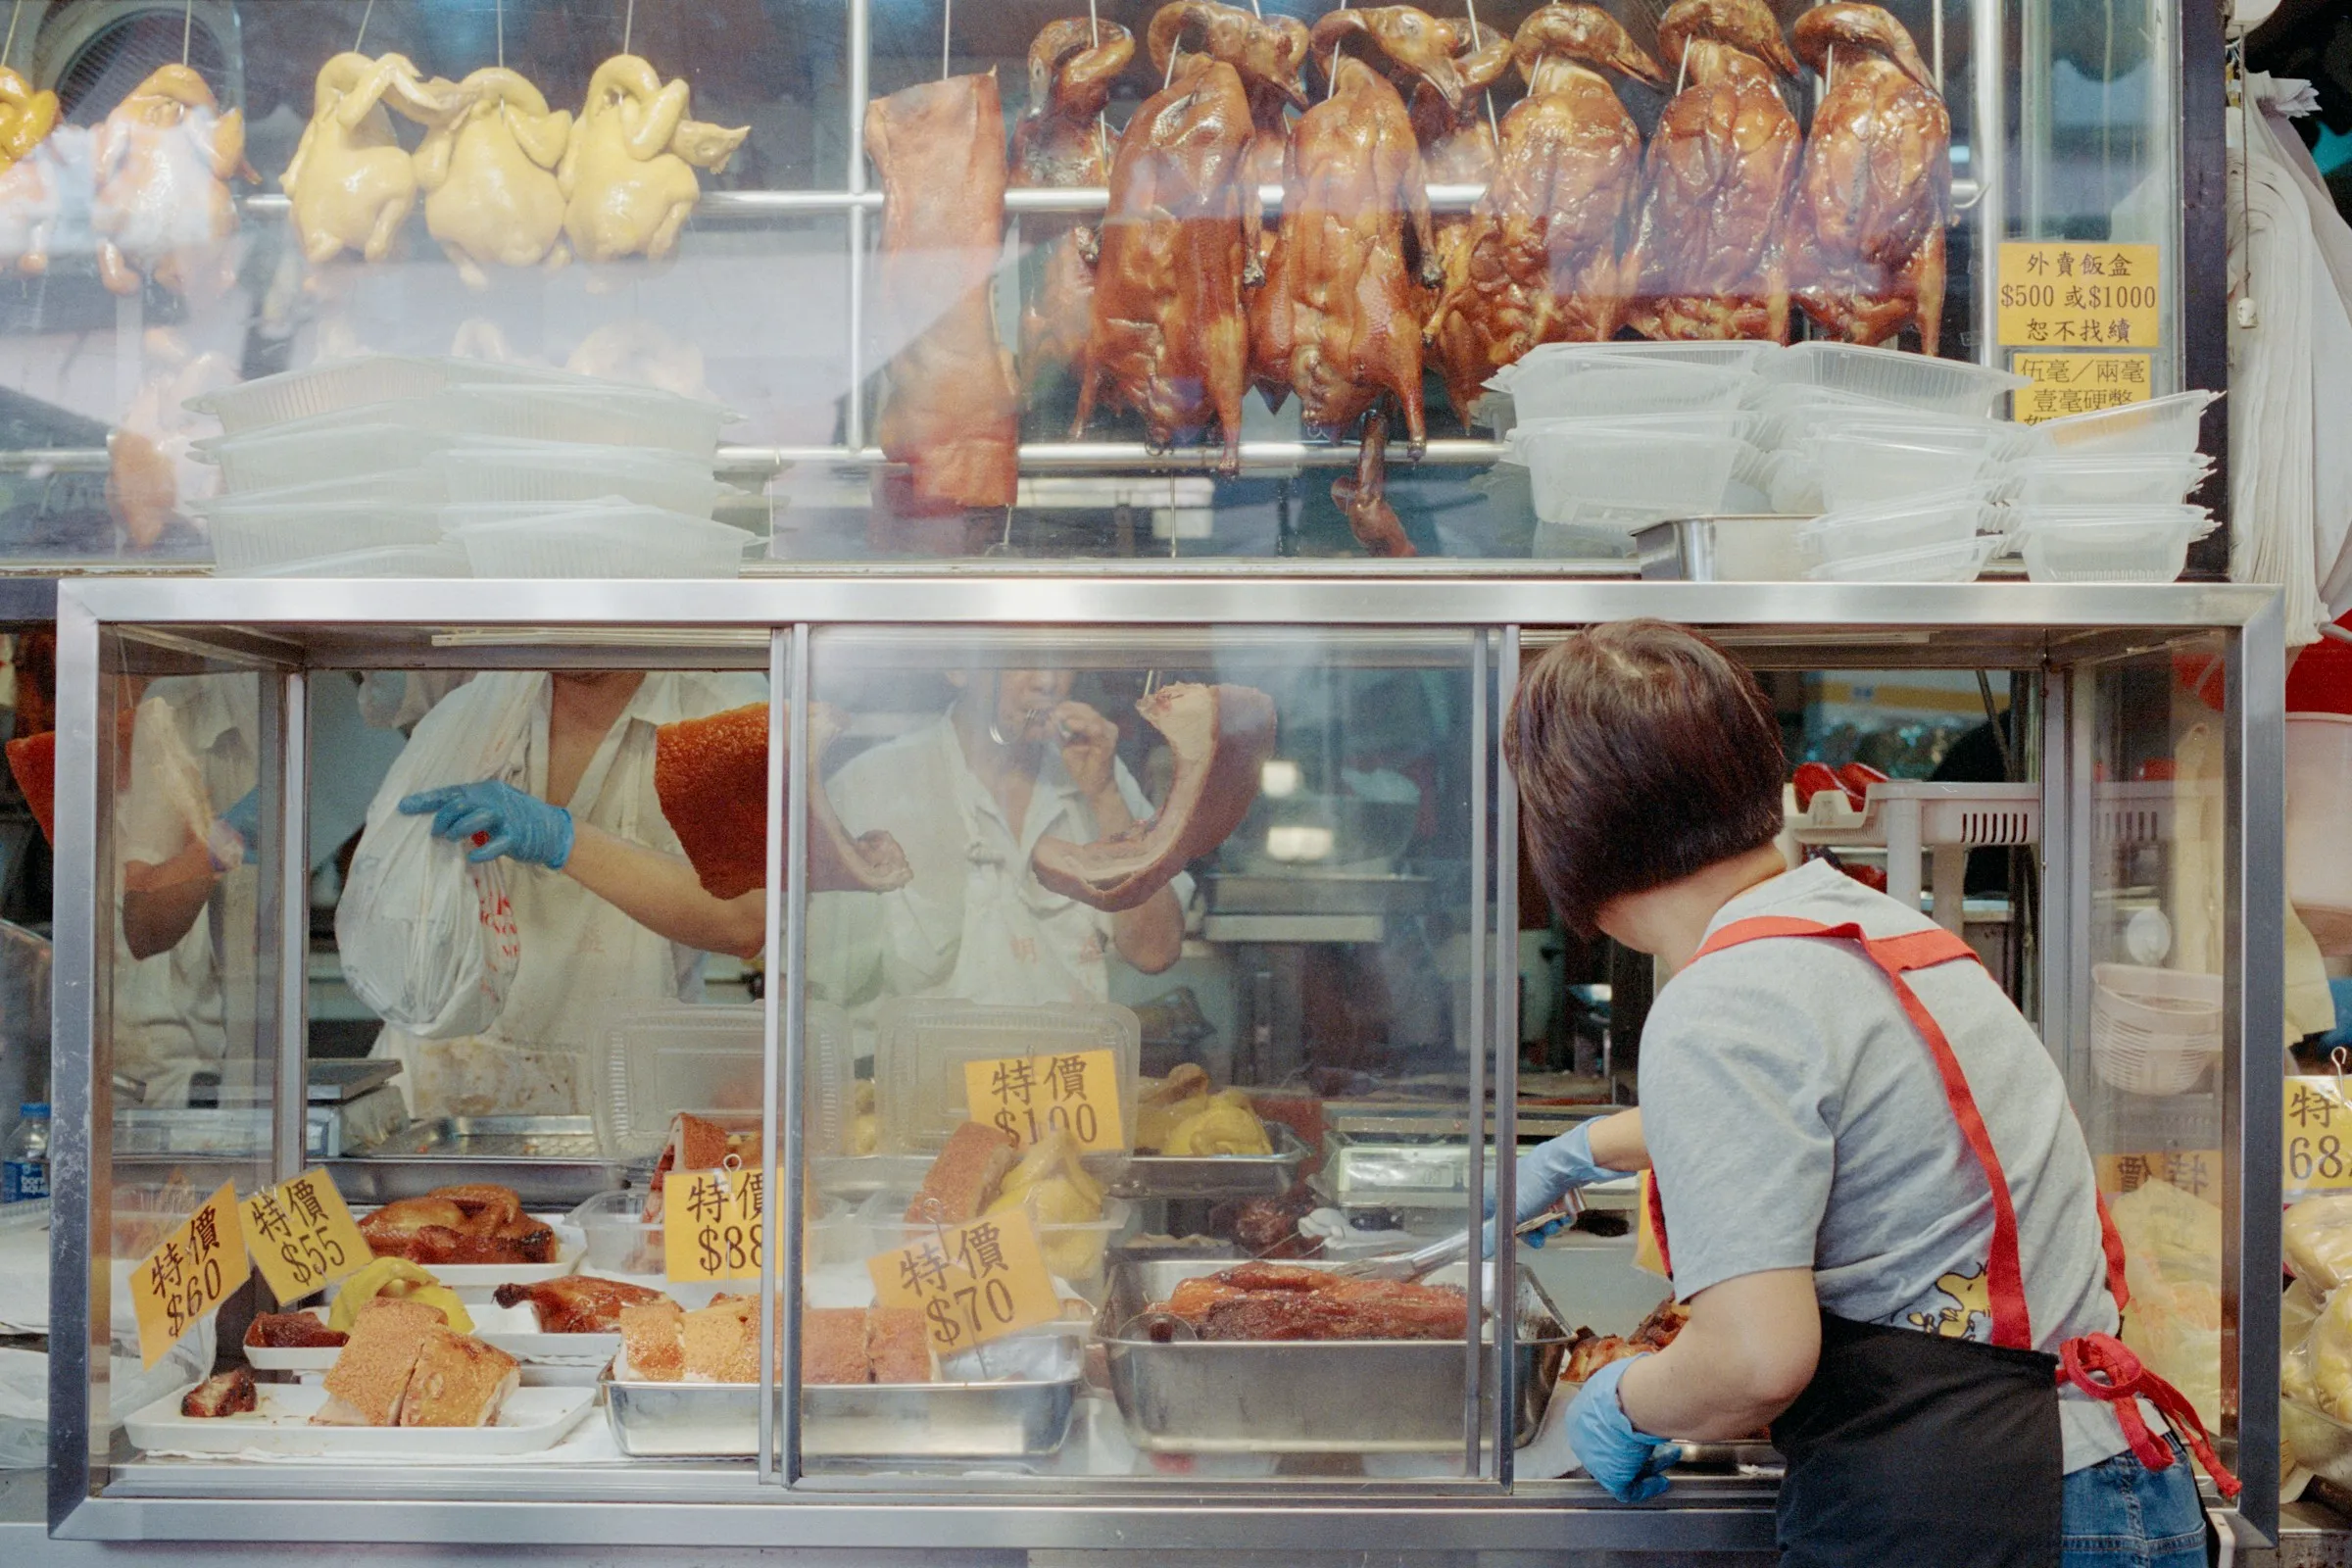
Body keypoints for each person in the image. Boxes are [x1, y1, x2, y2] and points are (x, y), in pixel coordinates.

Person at [1494, 621, 2229, 1567]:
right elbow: (1832, 1114)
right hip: (2097, 1477)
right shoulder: (1861, 926)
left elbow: (1755, 1360)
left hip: (1979, 1502)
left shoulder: (1725, 1000)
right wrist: (1584, 1151)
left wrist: (1620, 1402)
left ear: (1568, 835)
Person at [366, 668, 766, 1116]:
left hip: (624, 1105)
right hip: (444, 1096)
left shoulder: (723, 705)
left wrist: (564, 840)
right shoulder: (478, 700)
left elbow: (747, 919)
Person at [808, 667, 1183, 1016]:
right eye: (1020, 657)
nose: (1047, 680)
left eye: (1061, 656)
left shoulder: (1099, 772)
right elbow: (813, 992)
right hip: (929, 1085)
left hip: (1069, 1080)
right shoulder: (871, 787)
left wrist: (1104, 796)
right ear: (959, 667)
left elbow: (1156, 951)